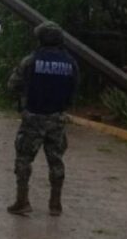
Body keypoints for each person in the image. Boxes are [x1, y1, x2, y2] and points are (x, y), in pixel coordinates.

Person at [6, 21, 78, 217]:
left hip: (33, 118)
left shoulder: (31, 61)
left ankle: (23, 201)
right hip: (57, 118)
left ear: (40, 38)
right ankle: (55, 205)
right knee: (56, 162)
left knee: (23, 160)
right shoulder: (70, 63)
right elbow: (73, 91)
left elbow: (12, 85)